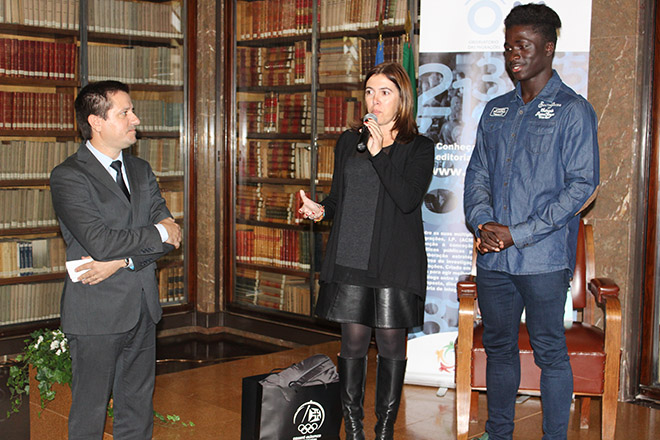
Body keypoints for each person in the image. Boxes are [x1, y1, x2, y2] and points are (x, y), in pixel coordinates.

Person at [463, 4, 599, 440]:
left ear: (549, 47)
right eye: (508, 47)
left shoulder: (572, 110)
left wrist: (517, 234)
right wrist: (482, 223)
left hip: (542, 260)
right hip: (494, 260)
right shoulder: (495, 111)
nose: (513, 55)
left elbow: (582, 186)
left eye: (522, 45)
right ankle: (498, 433)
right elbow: (477, 174)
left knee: (549, 352)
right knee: (499, 349)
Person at [298, 62, 434, 440]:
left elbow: (407, 199)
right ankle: (354, 430)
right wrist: (320, 210)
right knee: (353, 344)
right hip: (351, 257)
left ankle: (384, 430)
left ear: (402, 99)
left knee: (390, 344)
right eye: (370, 92)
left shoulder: (419, 147)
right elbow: (338, 199)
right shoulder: (348, 141)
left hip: (394, 261)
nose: (375, 100)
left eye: (385, 92)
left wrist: (379, 153)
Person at [50, 80, 182, 439]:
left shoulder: (141, 170)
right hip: (96, 315)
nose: (135, 119)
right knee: (89, 416)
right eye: (125, 112)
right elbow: (102, 242)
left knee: (138, 411)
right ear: (96, 122)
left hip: (143, 309)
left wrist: (124, 262)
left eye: (132, 111)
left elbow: (173, 237)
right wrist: (157, 231)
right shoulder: (69, 176)